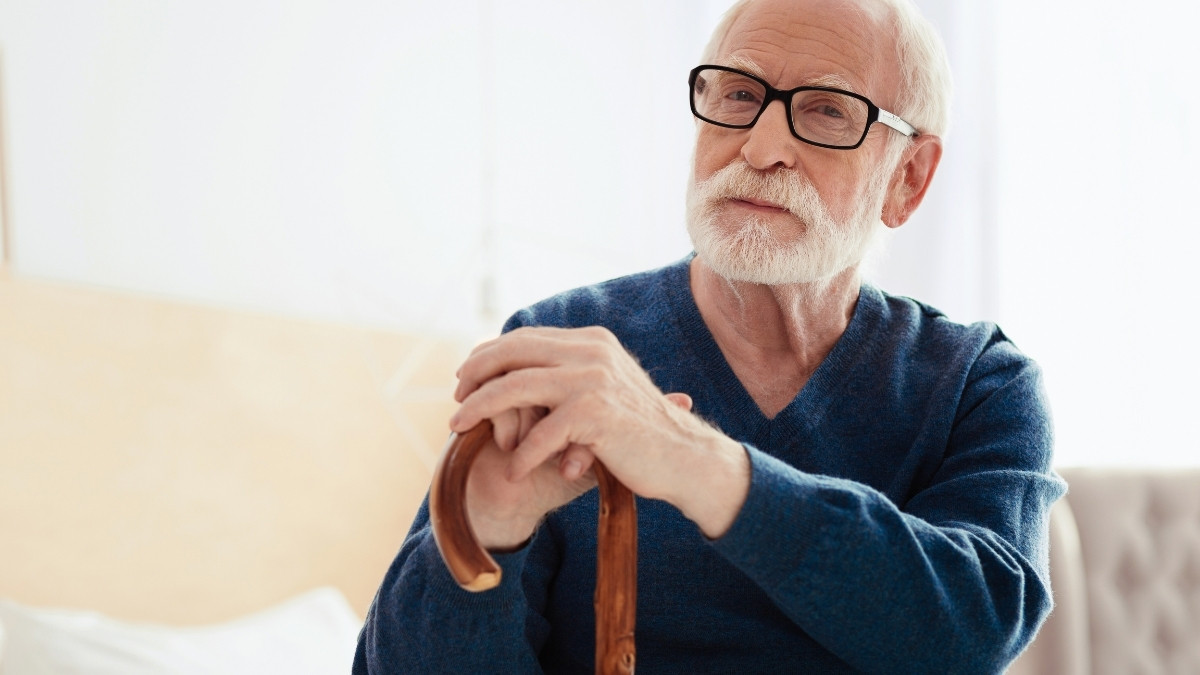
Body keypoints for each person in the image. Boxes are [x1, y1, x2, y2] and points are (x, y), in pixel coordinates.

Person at [354, 0, 1064, 671]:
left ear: (907, 178)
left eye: (825, 110)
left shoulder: (979, 381)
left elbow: (971, 636)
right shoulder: (561, 341)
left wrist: (693, 461)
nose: (760, 147)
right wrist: (480, 534)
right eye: (736, 95)